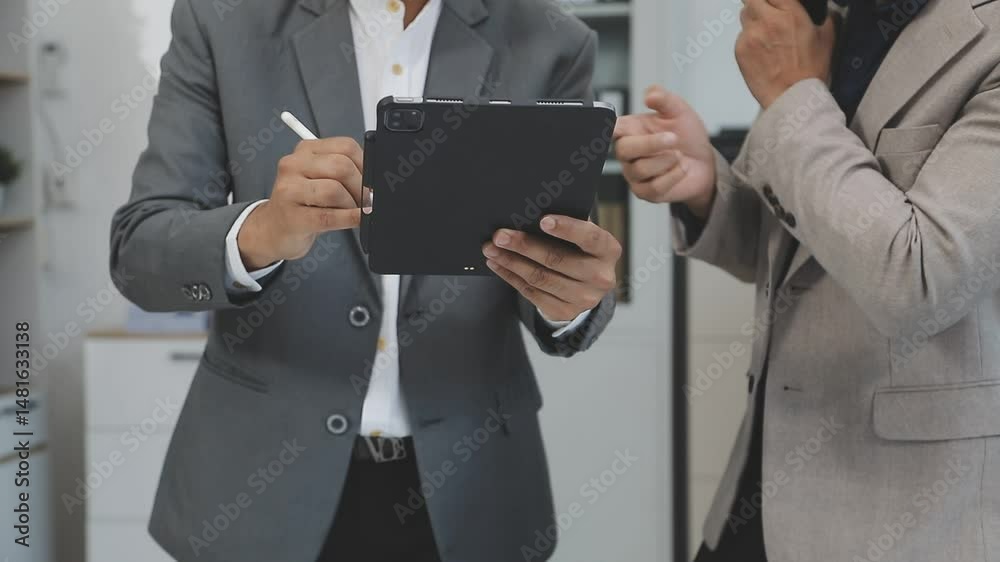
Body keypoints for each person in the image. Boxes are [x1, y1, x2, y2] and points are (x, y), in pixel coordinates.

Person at [108, 0, 621, 560]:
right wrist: (262, 231)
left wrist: (567, 296)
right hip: (259, 493)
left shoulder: (552, 40)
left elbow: (557, 247)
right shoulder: (222, 19)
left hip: (471, 492)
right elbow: (139, 251)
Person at [615, 0, 1000, 560]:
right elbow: (795, 254)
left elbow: (918, 281)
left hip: (913, 521)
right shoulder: (833, 18)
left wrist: (792, 96)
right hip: (752, 499)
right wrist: (709, 188)